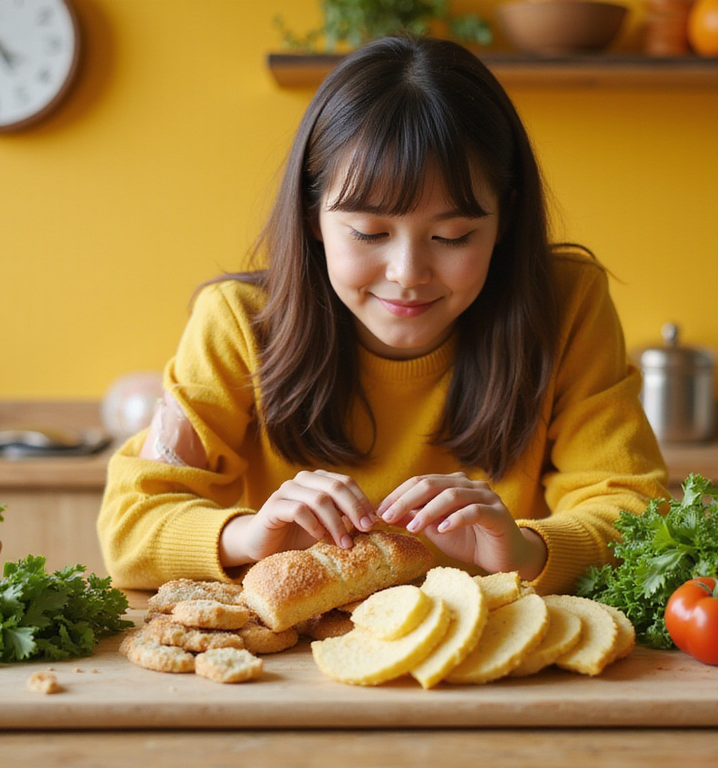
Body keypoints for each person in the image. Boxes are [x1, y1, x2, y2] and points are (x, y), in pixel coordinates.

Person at [98, 34, 668, 597]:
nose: (407, 272)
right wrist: (250, 536)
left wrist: (523, 550)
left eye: (452, 235)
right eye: (369, 232)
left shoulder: (566, 304)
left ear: (506, 219)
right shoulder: (240, 323)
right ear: (312, 215)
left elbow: (636, 514)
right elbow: (131, 530)